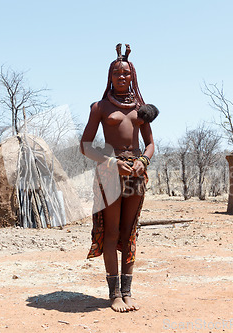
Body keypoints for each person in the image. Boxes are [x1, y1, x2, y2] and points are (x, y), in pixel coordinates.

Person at [80, 43, 157, 312]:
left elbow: (150, 144)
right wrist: (112, 162)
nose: (121, 77)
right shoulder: (99, 107)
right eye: (116, 73)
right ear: (109, 77)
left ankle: (127, 292)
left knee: (129, 231)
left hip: (136, 173)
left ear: (132, 76)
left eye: (126, 73)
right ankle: (114, 295)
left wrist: (143, 161)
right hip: (110, 173)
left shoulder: (141, 109)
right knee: (112, 232)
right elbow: (86, 145)